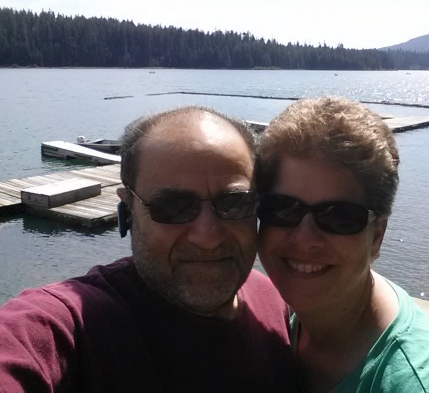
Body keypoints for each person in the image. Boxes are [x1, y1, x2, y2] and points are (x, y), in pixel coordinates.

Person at [0, 107, 298, 392]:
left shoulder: (275, 300)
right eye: (172, 206)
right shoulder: (72, 327)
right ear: (128, 210)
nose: (207, 237)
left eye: (235, 203)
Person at [255, 96, 429, 392]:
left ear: (377, 236)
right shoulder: (294, 318)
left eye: (339, 216)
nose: (304, 238)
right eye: (283, 208)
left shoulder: (420, 384)